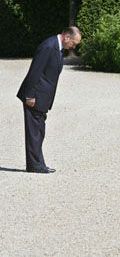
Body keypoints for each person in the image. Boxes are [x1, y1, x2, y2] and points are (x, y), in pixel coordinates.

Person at [16, 26, 81, 173]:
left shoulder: (57, 48)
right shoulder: (48, 46)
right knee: (34, 132)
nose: (73, 47)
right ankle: (35, 165)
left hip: (42, 97)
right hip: (34, 97)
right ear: (66, 37)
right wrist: (30, 95)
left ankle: (38, 163)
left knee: (39, 131)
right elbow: (35, 71)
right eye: (74, 43)